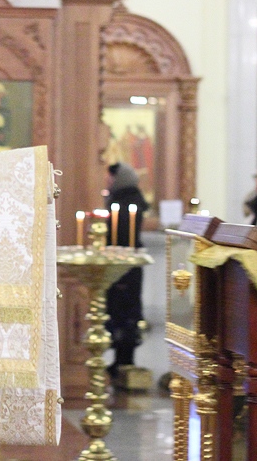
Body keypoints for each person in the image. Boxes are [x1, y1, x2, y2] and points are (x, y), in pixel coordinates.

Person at [104, 162, 149, 379]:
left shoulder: (127, 201)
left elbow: (122, 235)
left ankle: (125, 361)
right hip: (121, 261)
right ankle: (120, 360)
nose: (108, 181)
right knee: (117, 311)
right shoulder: (121, 199)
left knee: (125, 312)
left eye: (112, 177)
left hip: (125, 265)